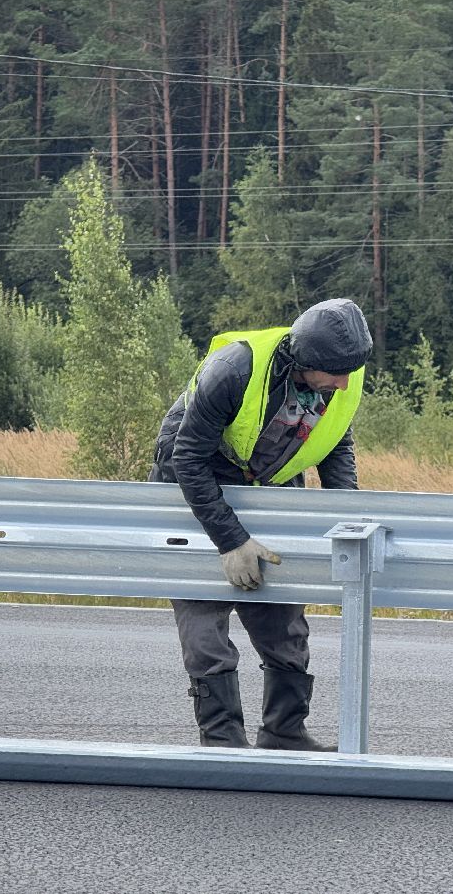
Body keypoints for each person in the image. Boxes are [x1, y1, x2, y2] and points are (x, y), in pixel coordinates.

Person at [151, 298, 372, 750]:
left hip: (269, 486)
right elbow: (187, 457)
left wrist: (342, 517)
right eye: (334, 374)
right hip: (196, 488)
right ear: (304, 361)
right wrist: (230, 541)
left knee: (283, 618)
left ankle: (285, 731)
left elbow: (335, 442)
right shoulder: (232, 370)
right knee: (205, 623)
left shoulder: (340, 372)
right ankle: (223, 742)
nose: (345, 383)